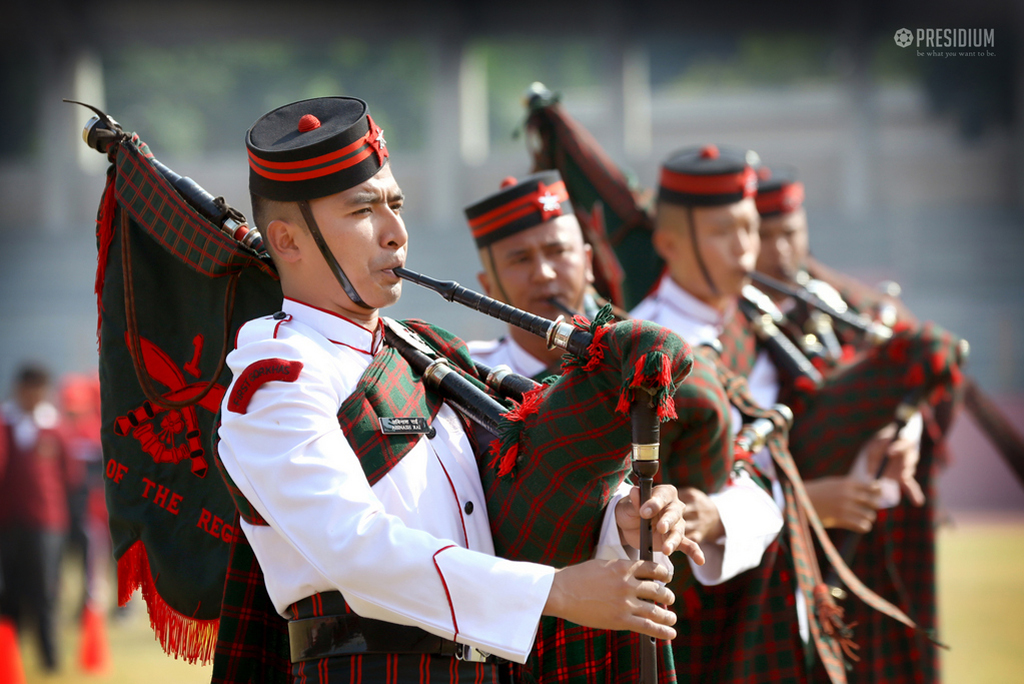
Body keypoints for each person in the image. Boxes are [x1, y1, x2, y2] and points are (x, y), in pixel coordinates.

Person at [214, 96, 704, 684]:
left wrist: (616, 522)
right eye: (362, 210)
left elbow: (502, 507)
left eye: (395, 203)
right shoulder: (277, 379)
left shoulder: (422, 351)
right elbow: (356, 549)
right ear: (288, 241)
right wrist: (558, 592)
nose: (395, 232)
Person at [463, 171, 783, 682]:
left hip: (647, 644)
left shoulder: (651, 356)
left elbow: (755, 488)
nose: (545, 273)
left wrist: (710, 513)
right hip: (527, 645)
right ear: (488, 285)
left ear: (588, 261)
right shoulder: (467, 380)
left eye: (558, 251)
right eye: (520, 260)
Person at [754, 167, 951, 684]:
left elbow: (919, 374)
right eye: (763, 235)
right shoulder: (728, 330)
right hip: (775, 556)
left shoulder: (839, 304)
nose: (778, 251)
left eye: (790, 232)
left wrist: (904, 432)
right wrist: (809, 501)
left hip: (871, 538)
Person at [0, 363, 71, 672]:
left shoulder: (55, 426)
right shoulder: (5, 424)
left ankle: (49, 661)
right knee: (8, 593)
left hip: (46, 522)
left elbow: (71, 475)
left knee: (45, 592)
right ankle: (8, 659)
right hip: (7, 522)